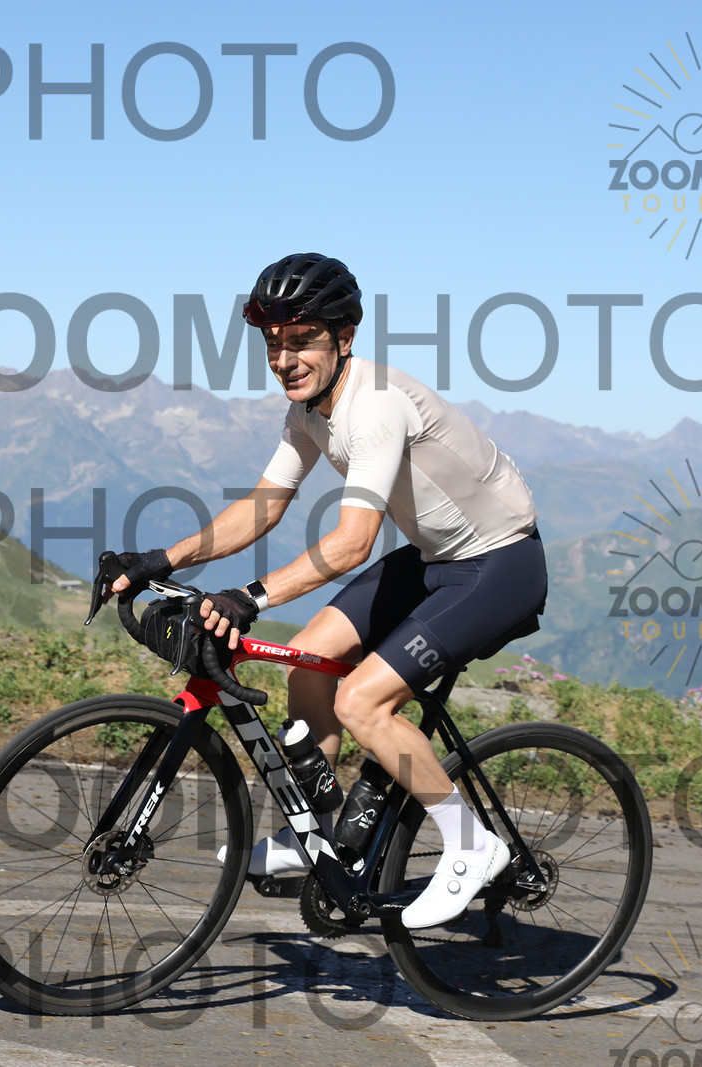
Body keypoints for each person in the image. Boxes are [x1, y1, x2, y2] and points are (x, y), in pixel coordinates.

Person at [107, 253, 546, 928]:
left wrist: (249, 597)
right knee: (309, 664)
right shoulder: (310, 410)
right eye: (273, 343)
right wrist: (159, 558)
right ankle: (314, 835)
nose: (285, 359)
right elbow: (262, 505)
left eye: (301, 340)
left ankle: (471, 844)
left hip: (500, 565)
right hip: (435, 559)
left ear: (343, 337)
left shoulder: (374, 406)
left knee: (362, 700)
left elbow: (351, 543)